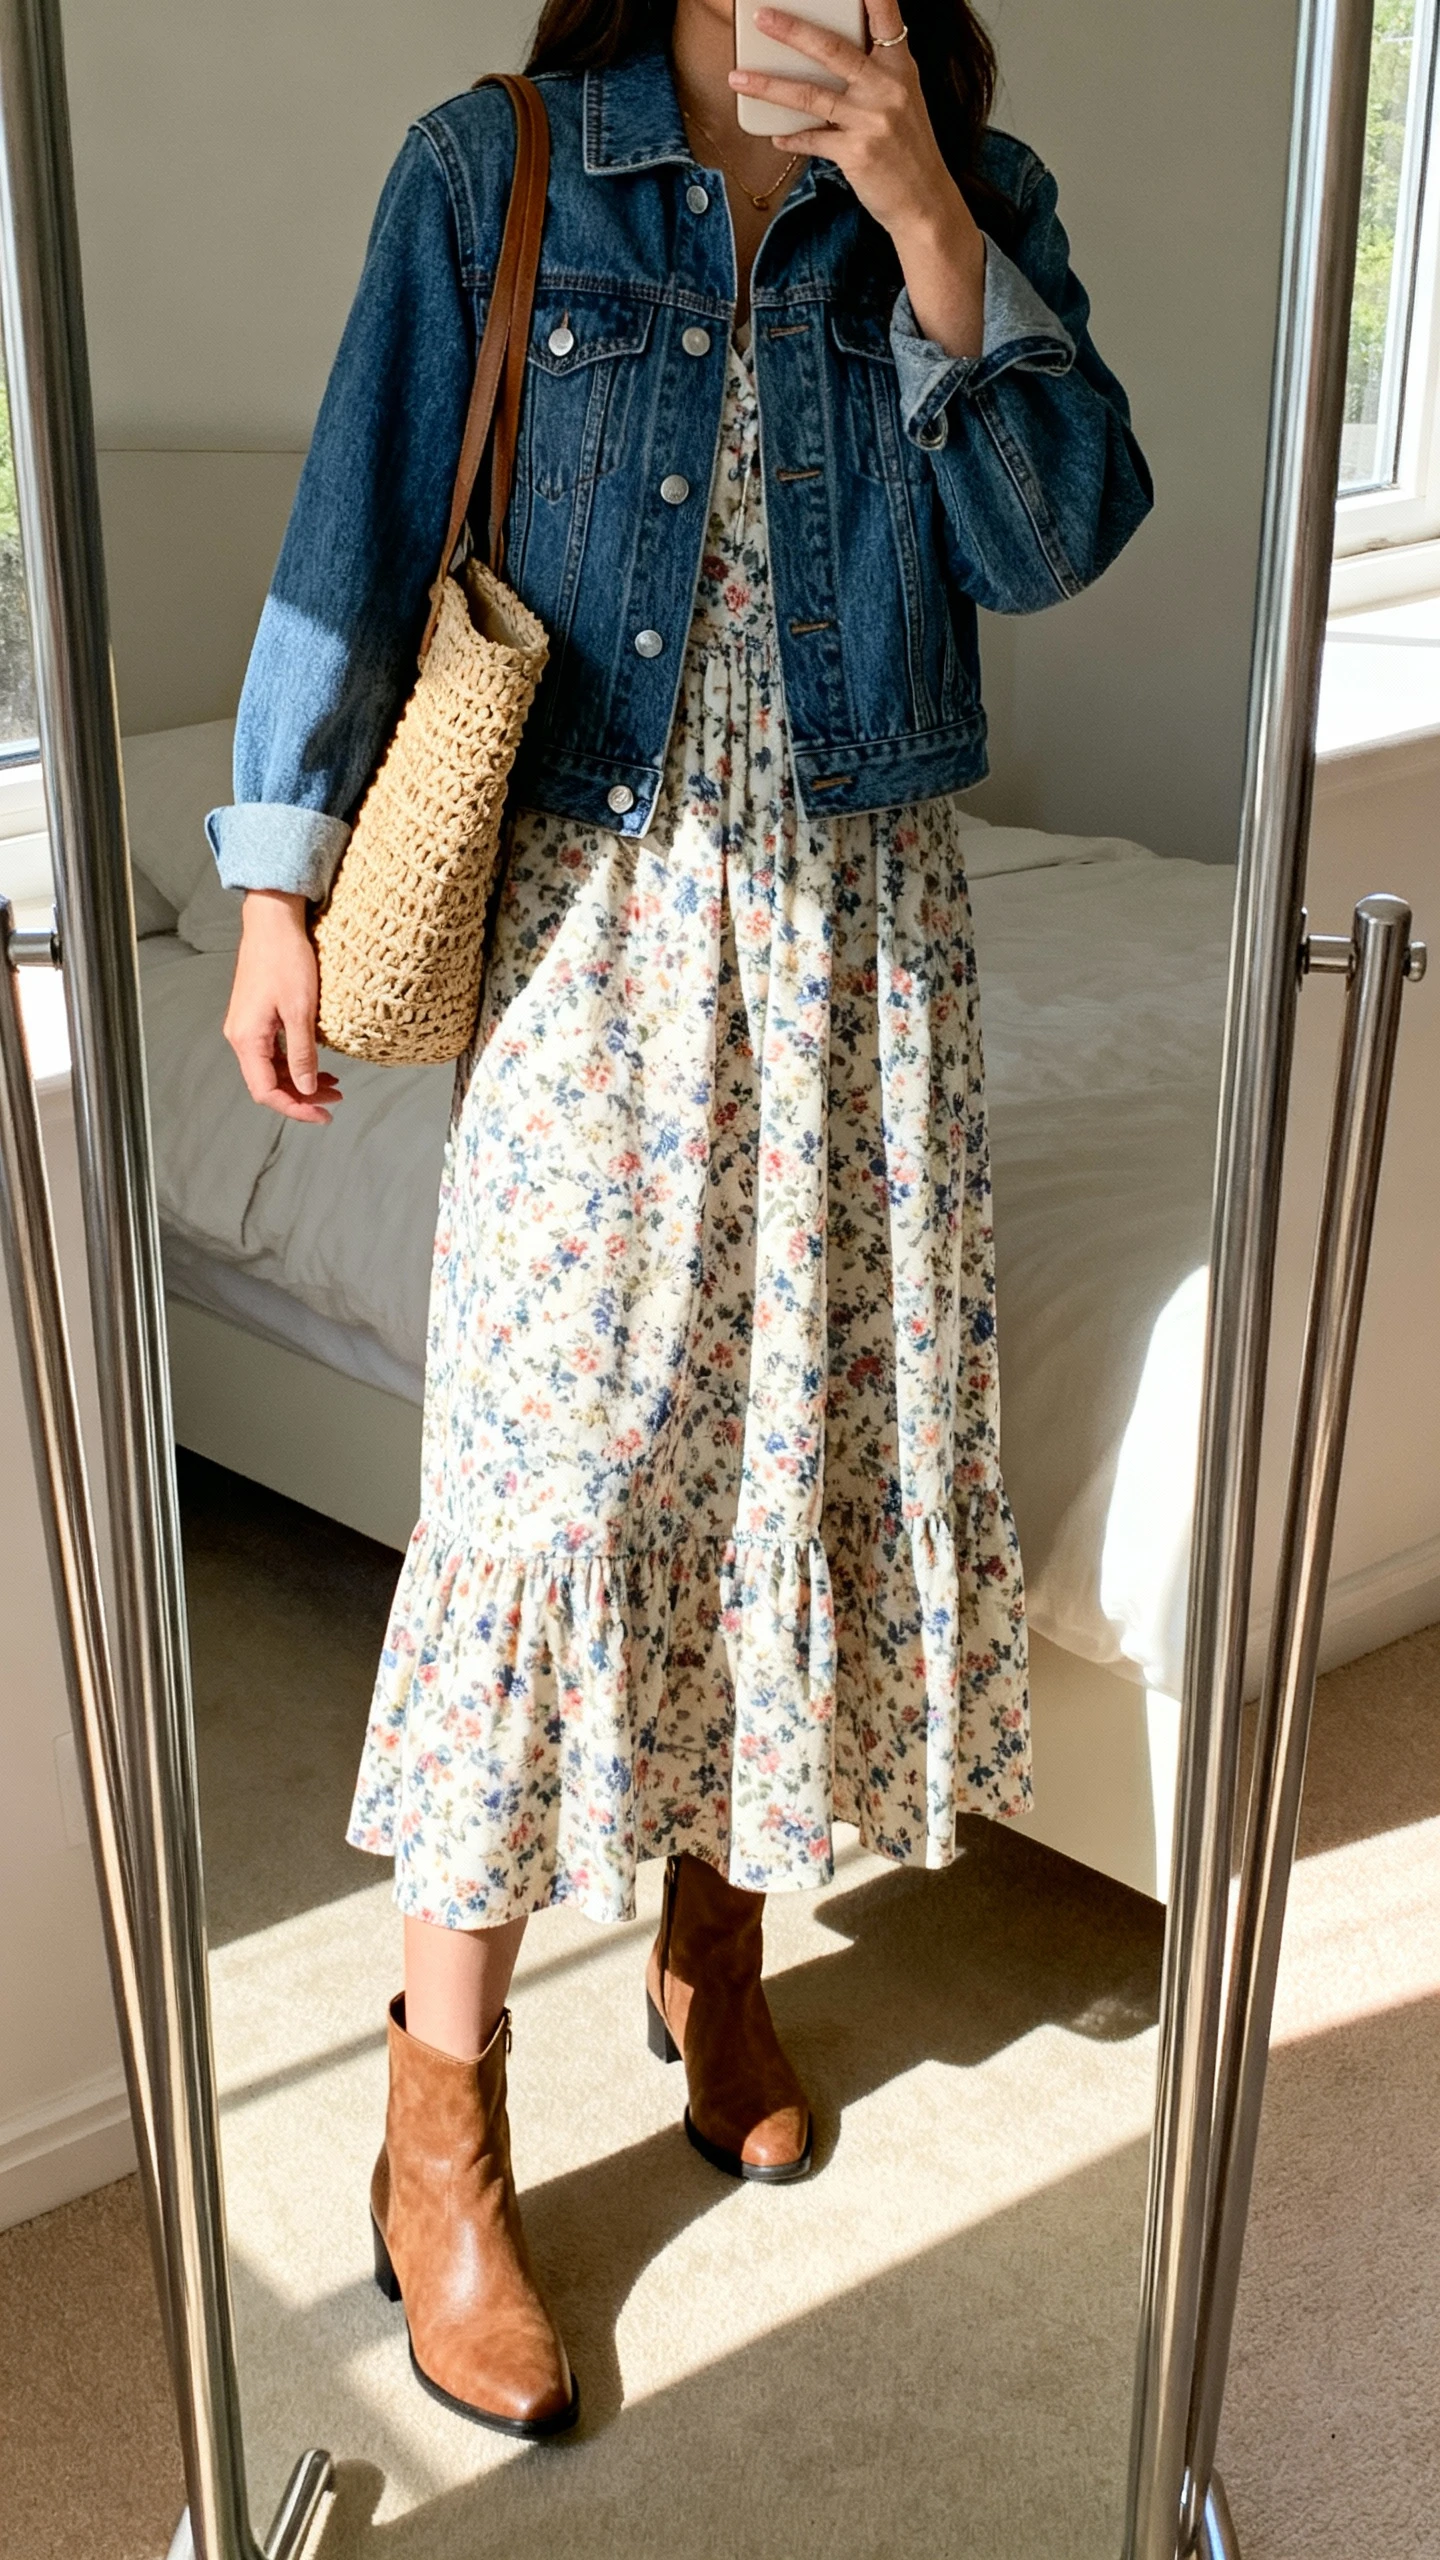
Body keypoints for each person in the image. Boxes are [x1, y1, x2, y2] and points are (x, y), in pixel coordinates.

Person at [210, 0, 1151, 2441]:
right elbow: (352, 529)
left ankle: (714, 1955)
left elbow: (1055, 533)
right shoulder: (497, 166)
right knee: (543, 1486)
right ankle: (439, 2128)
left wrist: (927, 217)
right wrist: (275, 876)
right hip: (587, 932)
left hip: (867, 934)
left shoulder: (971, 190)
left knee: (784, 1451)